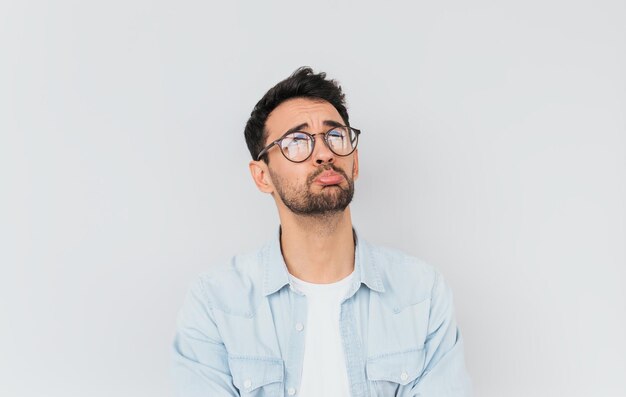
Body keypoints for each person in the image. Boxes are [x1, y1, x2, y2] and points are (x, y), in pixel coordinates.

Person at [171, 67, 473, 396]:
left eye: (335, 136)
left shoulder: (420, 293)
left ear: (354, 162)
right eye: (297, 142)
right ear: (262, 176)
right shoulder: (217, 302)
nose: (325, 153)